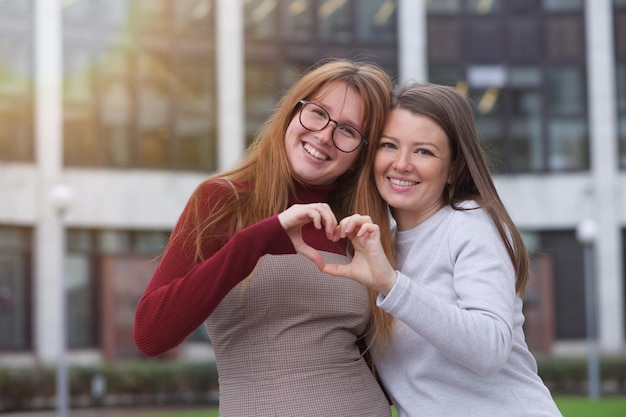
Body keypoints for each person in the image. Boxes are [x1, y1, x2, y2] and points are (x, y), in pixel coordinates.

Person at [132, 58, 395, 417]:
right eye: (318, 113)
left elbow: (383, 364)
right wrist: (263, 235)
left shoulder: (357, 227)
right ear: (292, 112)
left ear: (361, 154)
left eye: (348, 131)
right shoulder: (222, 200)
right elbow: (151, 334)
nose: (324, 135)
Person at [315, 82, 563, 417]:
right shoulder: (379, 244)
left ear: (455, 168)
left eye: (424, 151)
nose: (401, 164)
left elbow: (490, 349)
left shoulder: (471, 225)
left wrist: (392, 284)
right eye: (389, 145)